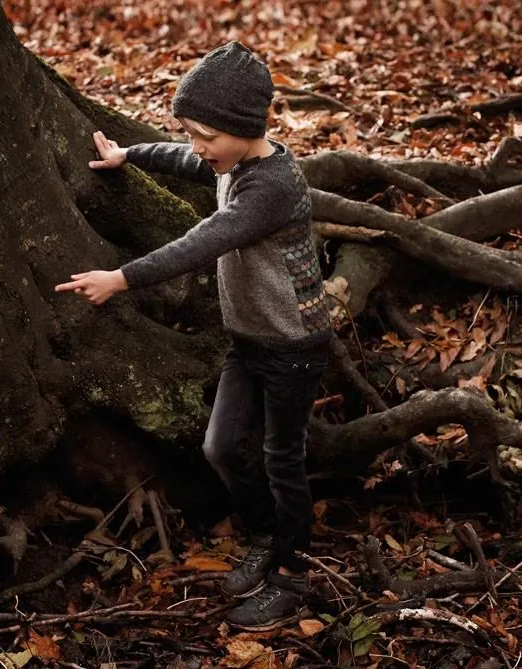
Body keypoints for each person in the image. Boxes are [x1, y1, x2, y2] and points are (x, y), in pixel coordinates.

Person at [55, 41, 333, 631]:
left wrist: (122, 278)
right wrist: (128, 152)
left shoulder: (271, 187)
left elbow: (202, 241)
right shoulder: (227, 161)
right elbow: (183, 160)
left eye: (205, 135)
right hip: (249, 341)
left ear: (242, 127)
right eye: (191, 133)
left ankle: (293, 573)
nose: (197, 147)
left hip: (294, 349)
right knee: (220, 446)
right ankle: (265, 536)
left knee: (282, 457)